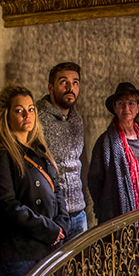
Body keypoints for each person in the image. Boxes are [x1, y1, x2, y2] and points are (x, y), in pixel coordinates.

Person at [0, 85, 69, 276]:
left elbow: (57, 191)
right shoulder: (1, 154)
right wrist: (49, 230)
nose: (26, 115)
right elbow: (7, 204)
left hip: (46, 246)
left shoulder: (39, 150)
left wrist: (62, 224)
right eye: (19, 110)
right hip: (17, 250)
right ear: (7, 116)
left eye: (31, 109)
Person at [88, 81, 139, 223]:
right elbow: (94, 181)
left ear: (138, 107)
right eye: (121, 103)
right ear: (115, 108)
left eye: (131, 103)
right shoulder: (105, 142)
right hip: (119, 213)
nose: (126, 108)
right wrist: (107, 206)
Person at [37, 61, 88, 237]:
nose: (70, 88)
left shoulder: (77, 118)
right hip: (51, 214)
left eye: (75, 82)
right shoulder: (37, 118)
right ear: (51, 87)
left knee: (82, 264)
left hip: (78, 211)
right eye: (63, 82)